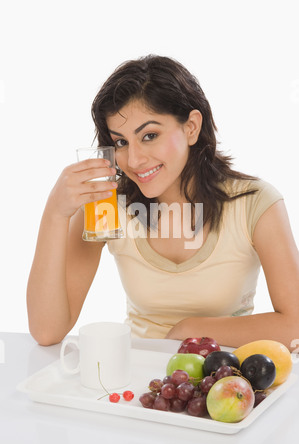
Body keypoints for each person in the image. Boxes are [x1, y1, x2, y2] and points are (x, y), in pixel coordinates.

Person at [27, 55, 299, 350]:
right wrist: (55, 213)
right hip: (137, 381)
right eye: (121, 142)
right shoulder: (108, 207)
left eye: (150, 135)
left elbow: (294, 324)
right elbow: (47, 330)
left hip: (225, 380)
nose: (133, 160)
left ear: (191, 127)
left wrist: (191, 330)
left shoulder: (254, 204)